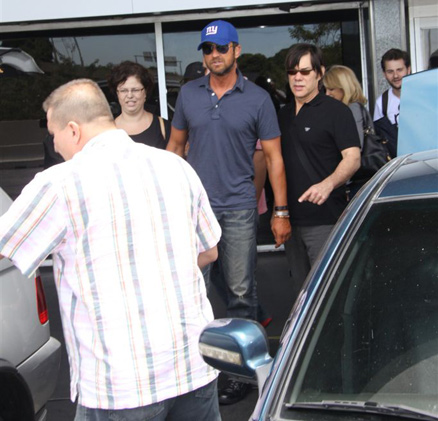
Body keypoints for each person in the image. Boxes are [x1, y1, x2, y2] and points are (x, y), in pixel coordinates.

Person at [0, 79, 222, 421]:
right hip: (192, 368)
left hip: (120, 385)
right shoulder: (176, 167)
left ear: (73, 130)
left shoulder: (60, 183)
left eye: (53, 134)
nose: (55, 146)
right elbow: (209, 252)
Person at [167, 19, 291, 405]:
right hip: (194, 211)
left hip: (238, 208)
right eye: (207, 49)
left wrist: (280, 210)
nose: (214, 55)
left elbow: (273, 158)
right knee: (192, 291)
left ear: (236, 50)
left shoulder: (257, 98)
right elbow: (174, 149)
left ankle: (245, 374)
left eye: (221, 48)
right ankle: (195, 371)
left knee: (240, 293)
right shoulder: (188, 94)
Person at [279, 44, 361, 301]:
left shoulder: (336, 111)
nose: (298, 78)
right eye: (293, 72)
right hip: (291, 221)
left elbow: (353, 158)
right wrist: (277, 212)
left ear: (320, 73)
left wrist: (328, 184)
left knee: (328, 295)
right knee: (301, 296)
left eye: (305, 71)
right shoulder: (281, 115)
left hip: (325, 219)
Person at [323, 64, 372, 197]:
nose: (327, 94)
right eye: (325, 89)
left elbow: (355, 148)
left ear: (344, 87)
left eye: (331, 89)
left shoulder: (352, 109)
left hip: (357, 183)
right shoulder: (346, 109)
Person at [107, 61, 171, 149]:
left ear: (145, 92)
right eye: (124, 90)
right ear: (117, 93)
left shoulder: (163, 127)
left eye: (135, 90)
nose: (129, 95)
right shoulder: (106, 131)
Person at [373, 48, 411, 157]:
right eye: (390, 71)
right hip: (399, 164)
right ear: (384, 74)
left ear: (408, 69)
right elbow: (380, 139)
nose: (395, 76)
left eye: (399, 70)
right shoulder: (381, 102)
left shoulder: (423, 95)